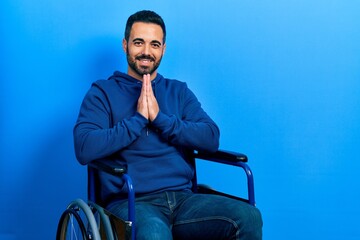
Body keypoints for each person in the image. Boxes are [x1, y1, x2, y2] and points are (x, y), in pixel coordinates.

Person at [74, 10, 262, 240]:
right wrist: (139, 120)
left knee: (248, 216)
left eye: (154, 44)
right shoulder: (103, 93)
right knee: (154, 233)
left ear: (163, 49)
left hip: (184, 200)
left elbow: (210, 137)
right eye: (138, 42)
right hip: (132, 202)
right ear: (125, 45)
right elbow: (84, 148)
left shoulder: (178, 91)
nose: (146, 51)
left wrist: (160, 119)